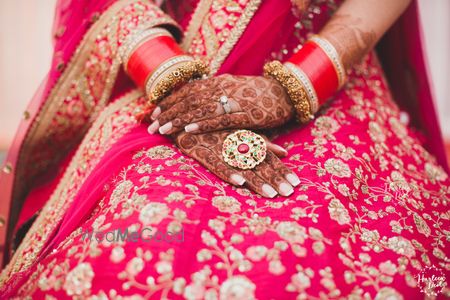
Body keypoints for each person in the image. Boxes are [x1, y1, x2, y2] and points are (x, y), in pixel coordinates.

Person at [0, 0, 448, 298]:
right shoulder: (177, 89)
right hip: (173, 67)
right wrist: (182, 90)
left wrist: (295, 85)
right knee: (137, 244)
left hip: (332, 69)